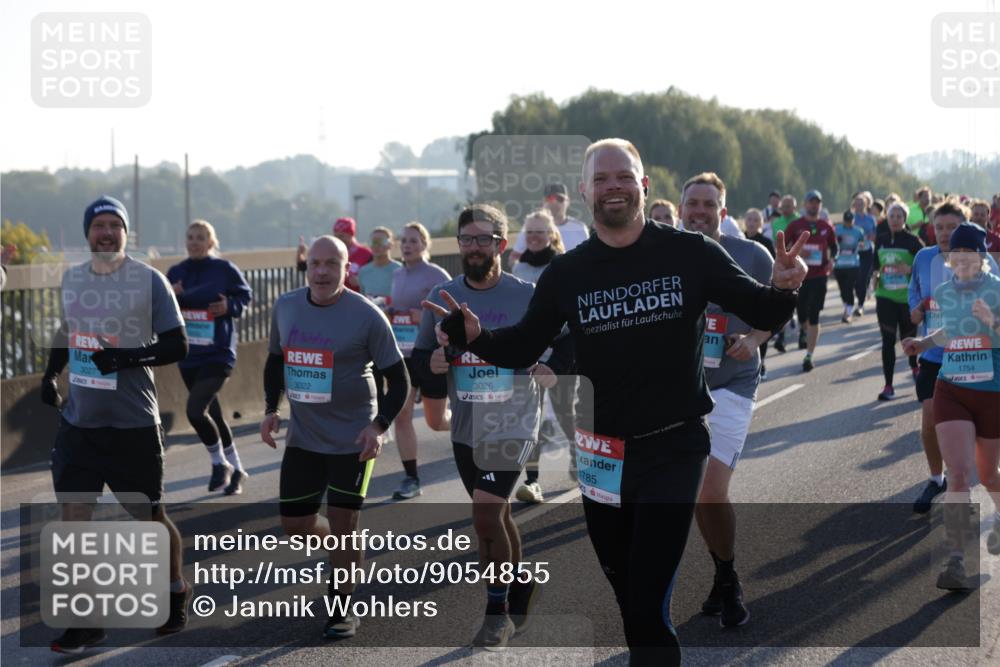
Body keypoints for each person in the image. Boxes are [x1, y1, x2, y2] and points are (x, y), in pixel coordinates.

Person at [426, 139, 808, 666]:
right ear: (584, 192)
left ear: (643, 185)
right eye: (601, 179)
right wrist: (475, 338)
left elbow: (759, 303)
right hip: (601, 454)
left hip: (673, 446)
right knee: (628, 595)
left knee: (649, 606)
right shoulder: (568, 272)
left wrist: (786, 288)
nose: (613, 186)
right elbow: (521, 345)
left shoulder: (690, 253)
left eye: (623, 176)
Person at [42, 196, 191, 653]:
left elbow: (177, 345)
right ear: (88, 233)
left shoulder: (149, 281)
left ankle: (174, 591)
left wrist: (127, 357)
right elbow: (67, 334)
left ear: (126, 234)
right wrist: (50, 374)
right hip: (80, 423)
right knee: (74, 517)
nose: (106, 233)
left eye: (114, 226)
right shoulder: (72, 279)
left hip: (132, 424)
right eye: (98, 226)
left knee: (149, 517)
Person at [417, 204, 554, 649]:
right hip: (467, 424)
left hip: (514, 420)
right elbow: (421, 360)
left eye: (483, 239)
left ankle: (497, 614)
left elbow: (562, 340)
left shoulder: (526, 294)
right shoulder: (441, 295)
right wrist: (434, 364)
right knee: (497, 514)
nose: (474, 247)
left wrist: (548, 364)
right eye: (466, 240)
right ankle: (520, 584)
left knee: (483, 513)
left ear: (501, 243)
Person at [261, 235, 409, 638]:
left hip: (353, 438)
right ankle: (348, 550)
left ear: (347, 269)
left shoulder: (365, 315)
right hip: (304, 437)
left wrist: (378, 427)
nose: (322, 272)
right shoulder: (287, 306)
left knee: (343, 524)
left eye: (332, 264)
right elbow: (276, 361)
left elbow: (398, 379)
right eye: (315, 264)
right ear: (307, 267)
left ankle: (341, 606)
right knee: (295, 525)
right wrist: (271, 410)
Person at [682, 173, 773, 629]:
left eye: (708, 204)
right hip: (677, 389)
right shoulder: (660, 254)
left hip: (732, 385)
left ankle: (728, 575)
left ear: (723, 209)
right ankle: (722, 572)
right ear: (680, 208)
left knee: (710, 492)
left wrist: (755, 337)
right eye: (692, 203)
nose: (699, 211)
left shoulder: (751, 255)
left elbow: (777, 306)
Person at [901, 222, 1000, 590]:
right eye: (954, 254)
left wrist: (992, 321)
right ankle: (957, 561)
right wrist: (923, 343)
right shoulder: (943, 290)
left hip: (992, 393)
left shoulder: (997, 290)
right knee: (958, 474)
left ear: (981, 256)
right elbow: (951, 330)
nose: (960, 259)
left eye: (968, 253)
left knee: (988, 474)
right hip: (952, 389)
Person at [167, 220, 253, 495]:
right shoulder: (176, 272)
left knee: (195, 411)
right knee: (212, 413)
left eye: (200, 237)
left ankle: (219, 463)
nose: (194, 242)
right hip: (190, 354)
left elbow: (245, 296)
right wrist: (173, 295)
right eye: (190, 237)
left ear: (211, 242)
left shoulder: (224, 270)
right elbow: (162, 310)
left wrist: (230, 305)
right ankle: (237, 468)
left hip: (218, 353)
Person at [511, 209, 573, 503]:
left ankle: (577, 458)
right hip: (529, 354)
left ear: (551, 235)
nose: (534, 237)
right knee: (530, 419)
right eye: (530, 232)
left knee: (565, 413)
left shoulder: (563, 266)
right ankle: (533, 481)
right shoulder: (519, 269)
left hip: (559, 351)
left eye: (540, 231)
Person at [387, 222, 452, 499]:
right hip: (403, 355)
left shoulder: (437, 274)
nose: (407, 245)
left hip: (430, 355)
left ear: (425, 244)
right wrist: (391, 312)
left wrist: (422, 316)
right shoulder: (398, 274)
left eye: (413, 240)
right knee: (401, 416)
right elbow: (398, 307)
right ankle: (411, 478)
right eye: (404, 240)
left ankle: (466, 420)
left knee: (436, 422)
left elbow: (452, 312)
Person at [873, 202, 924, 400]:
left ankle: (914, 367)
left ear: (904, 219)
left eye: (899, 216)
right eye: (891, 216)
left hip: (907, 299)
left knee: (908, 339)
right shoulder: (882, 239)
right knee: (887, 341)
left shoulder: (913, 241)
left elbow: (925, 265)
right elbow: (875, 263)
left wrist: (911, 270)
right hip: (885, 297)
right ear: (887, 218)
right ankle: (888, 385)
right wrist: (876, 274)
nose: (895, 220)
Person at [785, 190, 838, 371]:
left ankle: (809, 355)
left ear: (820, 205)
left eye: (817, 202)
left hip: (820, 275)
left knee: (814, 314)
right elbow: (783, 248)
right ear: (805, 204)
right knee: (801, 310)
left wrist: (832, 260)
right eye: (810, 202)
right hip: (800, 276)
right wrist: (797, 253)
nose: (813, 205)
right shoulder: (796, 225)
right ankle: (802, 329)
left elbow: (834, 247)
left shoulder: (826, 226)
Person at [508, 183, 589, 266]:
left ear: (568, 201)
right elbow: (514, 257)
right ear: (543, 201)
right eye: (550, 198)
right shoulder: (531, 226)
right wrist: (524, 272)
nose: (554, 202)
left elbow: (589, 257)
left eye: (560, 199)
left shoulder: (580, 228)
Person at [296, 217, 373, 292]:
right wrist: (300, 254)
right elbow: (305, 267)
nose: (338, 239)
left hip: (355, 299)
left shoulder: (366, 254)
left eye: (341, 236)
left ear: (351, 235)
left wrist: (361, 283)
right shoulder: (330, 250)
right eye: (336, 236)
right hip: (333, 299)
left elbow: (376, 277)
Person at [743, 208, 776, 376]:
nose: (752, 223)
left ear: (761, 223)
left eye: (756, 220)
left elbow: (773, 266)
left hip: (761, 291)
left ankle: (760, 362)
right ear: (744, 221)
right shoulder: (738, 239)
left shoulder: (766, 243)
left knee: (760, 327)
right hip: (741, 291)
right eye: (749, 219)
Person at [834, 211, 866, 323]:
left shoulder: (858, 231)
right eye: (846, 221)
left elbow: (863, 243)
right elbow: (831, 243)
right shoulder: (837, 229)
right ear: (843, 220)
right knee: (842, 289)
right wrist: (836, 242)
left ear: (853, 220)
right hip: (839, 263)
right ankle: (847, 306)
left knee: (849, 287)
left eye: (850, 221)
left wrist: (861, 245)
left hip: (853, 263)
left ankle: (848, 311)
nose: (848, 223)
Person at [851, 193, 878, 317]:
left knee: (863, 277)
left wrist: (872, 237)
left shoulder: (870, 219)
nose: (859, 206)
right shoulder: (851, 218)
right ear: (854, 205)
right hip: (854, 252)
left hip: (868, 251)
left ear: (866, 205)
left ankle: (860, 305)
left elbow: (875, 234)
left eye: (861, 203)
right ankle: (860, 296)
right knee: (856, 279)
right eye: (857, 204)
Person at [357, 226, 401, 303]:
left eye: (381, 241)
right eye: (373, 241)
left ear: (390, 244)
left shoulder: (400, 270)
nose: (376, 245)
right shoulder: (363, 272)